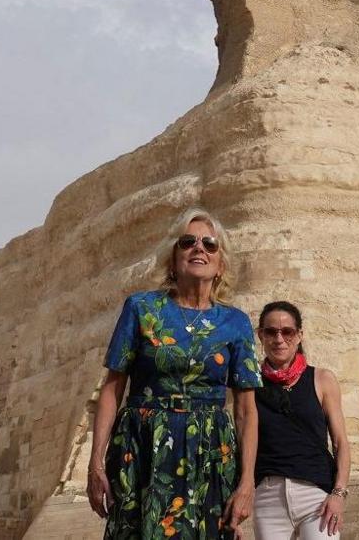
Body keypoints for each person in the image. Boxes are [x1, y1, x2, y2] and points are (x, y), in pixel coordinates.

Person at [86, 208, 261, 539]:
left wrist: (247, 481)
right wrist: (96, 464)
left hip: (210, 452)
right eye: (187, 242)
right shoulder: (141, 309)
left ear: (221, 264)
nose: (199, 248)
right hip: (142, 445)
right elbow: (112, 388)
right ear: (172, 259)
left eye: (210, 244)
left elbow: (245, 409)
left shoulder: (235, 322)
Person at [250, 301, 352, 539]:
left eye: (287, 331)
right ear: (261, 335)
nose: (279, 338)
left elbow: (340, 443)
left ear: (299, 335)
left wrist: (339, 493)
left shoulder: (322, 379)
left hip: (316, 494)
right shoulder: (250, 384)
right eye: (271, 331)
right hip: (268, 494)